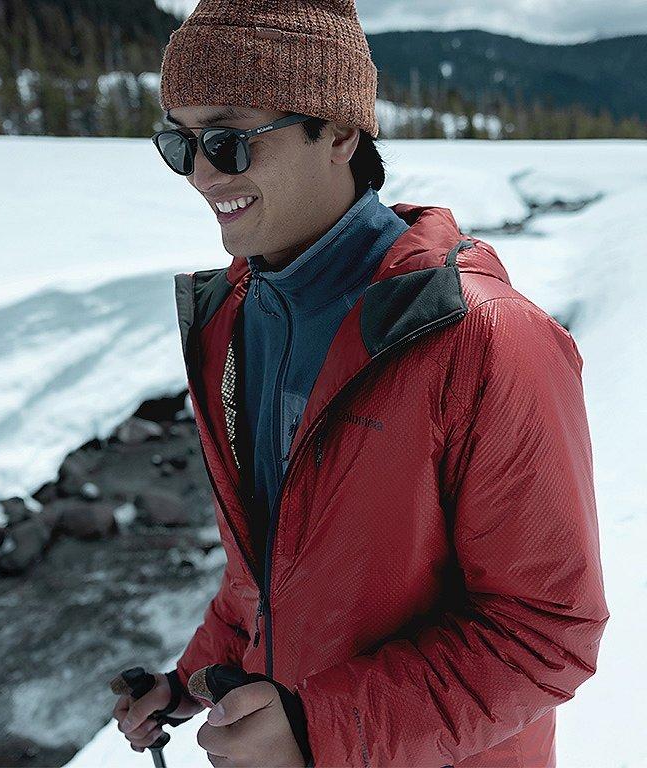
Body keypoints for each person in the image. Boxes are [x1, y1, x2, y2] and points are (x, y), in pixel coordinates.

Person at [112, 1, 610, 766]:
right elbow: (269, 571)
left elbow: (545, 634)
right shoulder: (230, 319)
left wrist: (319, 729)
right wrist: (192, 681)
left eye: (228, 139)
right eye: (178, 143)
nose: (202, 175)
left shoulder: (487, 340)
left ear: (339, 133)